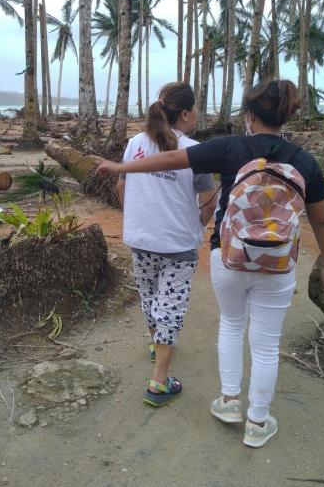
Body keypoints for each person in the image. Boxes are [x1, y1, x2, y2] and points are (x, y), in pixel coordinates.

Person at [99, 79, 324, 446]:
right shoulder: (304, 161)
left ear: (249, 115)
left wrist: (119, 168)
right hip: (277, 265)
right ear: (287, 115)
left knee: (231, 324)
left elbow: (168, 158)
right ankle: (258, 423)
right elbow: (321, 221)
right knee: (265, 343)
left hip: (228, 257)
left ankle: (229, 402)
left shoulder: (229, 147)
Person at [116, 82, 218, 407]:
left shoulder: (135, 143)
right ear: (186, 114)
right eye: (196, 108)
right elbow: (208, 203)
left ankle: (156, 342)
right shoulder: (195, 150)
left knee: (150, 296)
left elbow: (122, 185)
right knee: (170, 304)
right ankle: (159, 381)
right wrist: (197, 224)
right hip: (177, 244)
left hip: (141, 238)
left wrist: (135, 215)